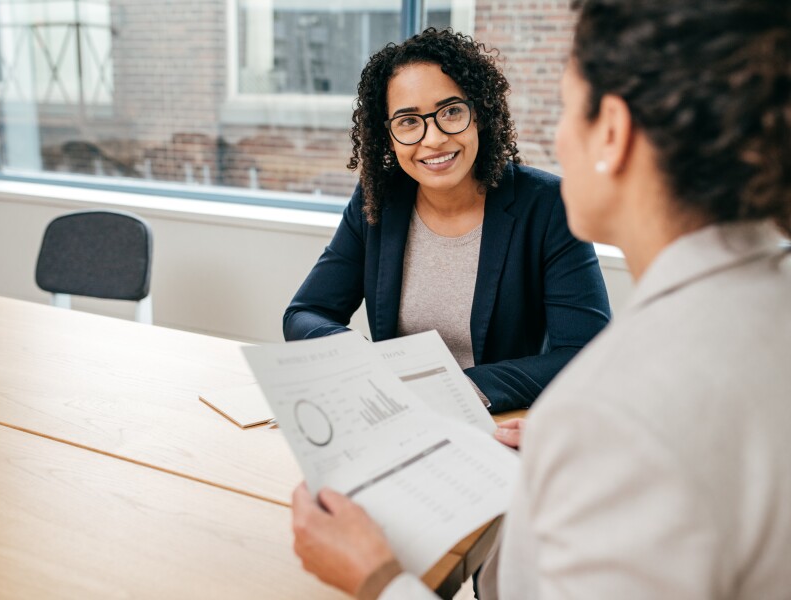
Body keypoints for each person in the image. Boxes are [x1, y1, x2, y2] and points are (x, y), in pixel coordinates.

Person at [290, 0, 791, 598]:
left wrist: (377, 580)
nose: (554, 135)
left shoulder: (612, 408)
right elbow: (306, 311)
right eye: (408, 121)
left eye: (563, 108)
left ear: (611, 131)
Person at [283, 28, 611, 413]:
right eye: (408, 121)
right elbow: (304, 314)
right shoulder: (378, 202)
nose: (434, 138)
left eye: (451, 111)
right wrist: (360, 360)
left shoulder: (549, 206)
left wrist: (456, 390)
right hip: (400, 417)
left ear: (480, 115)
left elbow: (586, 353)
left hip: (501, 421)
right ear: (387, 136)